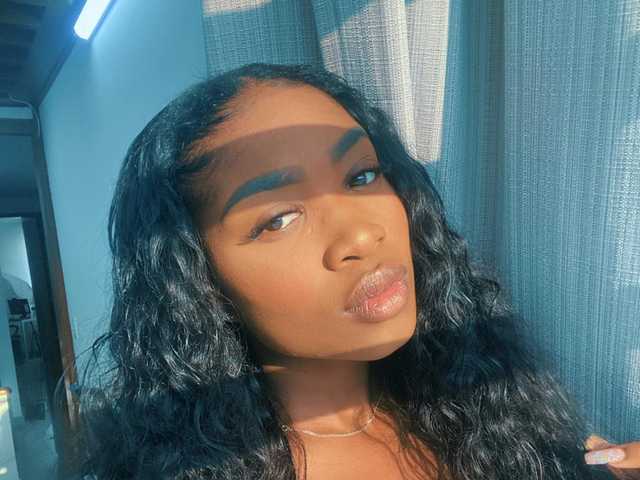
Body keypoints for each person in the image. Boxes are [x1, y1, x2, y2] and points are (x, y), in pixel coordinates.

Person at [76, 62, 639, 479]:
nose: (362, 235)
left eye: (362, 176)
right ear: (197, 279)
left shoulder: (486, 410)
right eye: (279, 219)